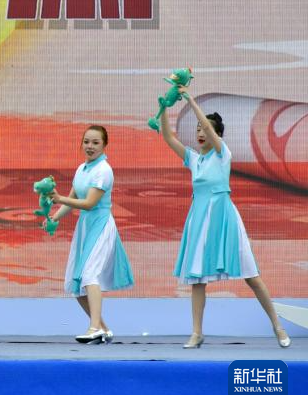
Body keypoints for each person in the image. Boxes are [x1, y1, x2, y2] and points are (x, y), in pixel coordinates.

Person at [159, 89, 290, 349]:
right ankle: (197, 333)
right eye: (197, 129)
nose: (200, 132)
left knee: (252, 276)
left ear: (217, 135)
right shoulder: (194, 159)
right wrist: (163, 108)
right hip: (199, 220)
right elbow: (168, 137)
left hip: (225, 219)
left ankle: (277, 325)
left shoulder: (223, 154)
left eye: (204, 129)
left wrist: (190, 99)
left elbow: (208, 128)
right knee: (198, 280)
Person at [45, 125, 133, 344]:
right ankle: (103, 329)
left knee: (90, 275)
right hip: (85, 228)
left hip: (100, 226)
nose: (90, 146)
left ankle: (93, 328)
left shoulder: (104, 170)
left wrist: (59, 198)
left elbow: (89, 203)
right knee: (76, 284)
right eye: (86, 142)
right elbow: (72, 199)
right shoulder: (81, 169)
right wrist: (54, 218)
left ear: (104, 145)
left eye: (95, 142)